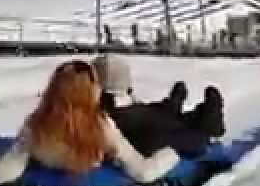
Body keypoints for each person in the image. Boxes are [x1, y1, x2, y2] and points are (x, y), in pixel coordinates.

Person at [0, 59, 179, 185]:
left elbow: (3, 173)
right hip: (91, 183)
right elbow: (143, 172)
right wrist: (172, 154)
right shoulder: (101, 126)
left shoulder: (35, 125)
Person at [93, 54, 225, 160]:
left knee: (155, 115)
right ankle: (204, 125)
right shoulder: (105, 102)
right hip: (138, 135)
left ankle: (176, 108)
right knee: (171, 130)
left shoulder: (111, 99)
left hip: (134, 120)